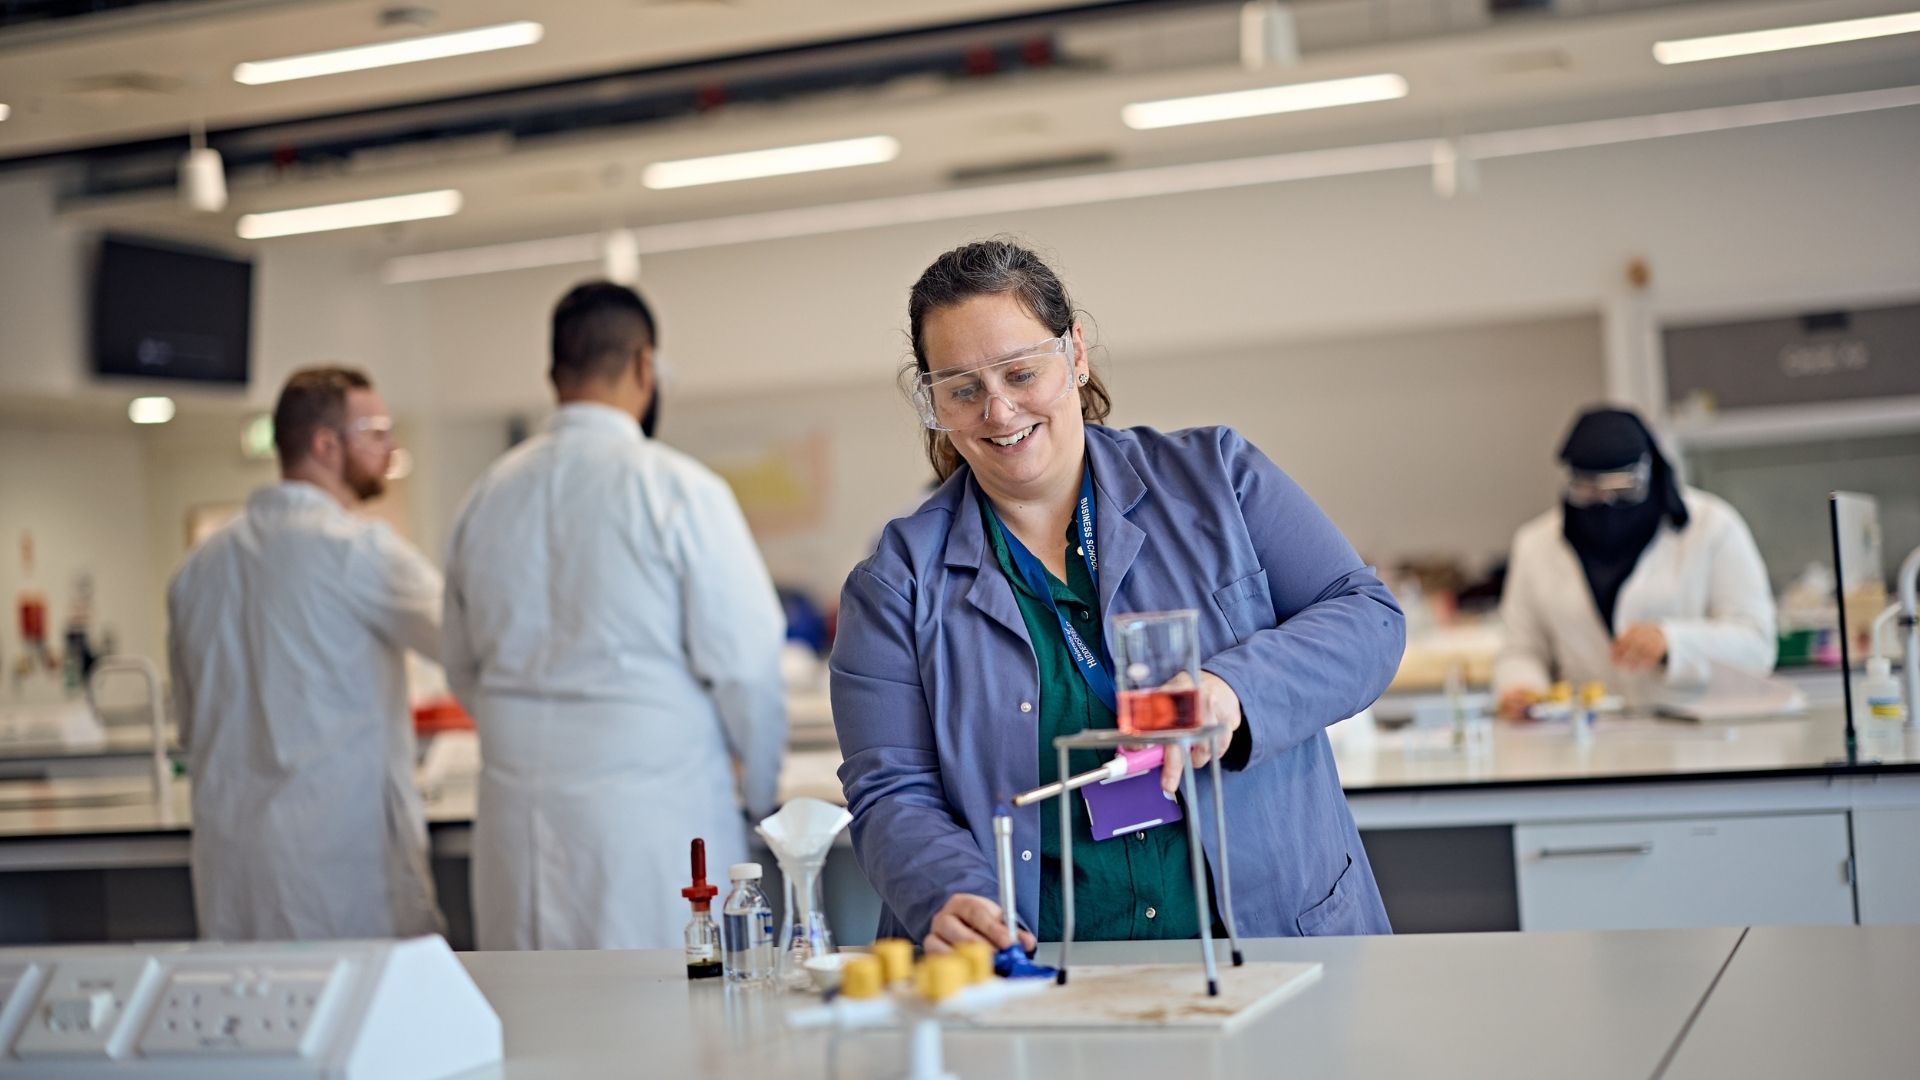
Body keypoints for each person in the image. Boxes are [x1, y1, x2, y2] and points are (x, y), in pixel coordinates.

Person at [830, 240, 1404, 952]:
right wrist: (948, 893)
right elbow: (892, 789)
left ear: (1075, 354)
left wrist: (1233, 690)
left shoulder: (1217, 479)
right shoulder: (896, 582)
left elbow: (1368, 616)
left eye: (1021, 373)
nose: (999, 411)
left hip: (1272, 940)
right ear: (933, 400)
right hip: (1046, 966)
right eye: (962, 389)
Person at [443, 280, 786, 951]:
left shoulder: (484, 497)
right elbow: (747, 666)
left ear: (554, 375)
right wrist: (761, 791)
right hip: (653, 816)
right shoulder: (679, 489)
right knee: (668, 1004)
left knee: (534, 1007)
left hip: (519, 820)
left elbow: (460, 665)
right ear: (644, 366)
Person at [168, 366, 443, 941]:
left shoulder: (197, 570)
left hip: (233, 873)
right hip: (339, 873)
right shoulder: (358, 553)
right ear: (324, 445)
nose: (391, 448)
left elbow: (191, 728)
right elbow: (471, 641)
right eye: (375, 432)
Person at [1493, 406, 1776, 719]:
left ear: (1650, 473)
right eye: (1589, 490)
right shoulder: (1536, 544)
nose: (1606, 503)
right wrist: (1522, 688)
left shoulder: (1713, 527)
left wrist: (1673, 642)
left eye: (1622, 488)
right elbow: (1522, 649)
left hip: (1698, 729)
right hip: (1587, 733)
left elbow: (1757, 645)